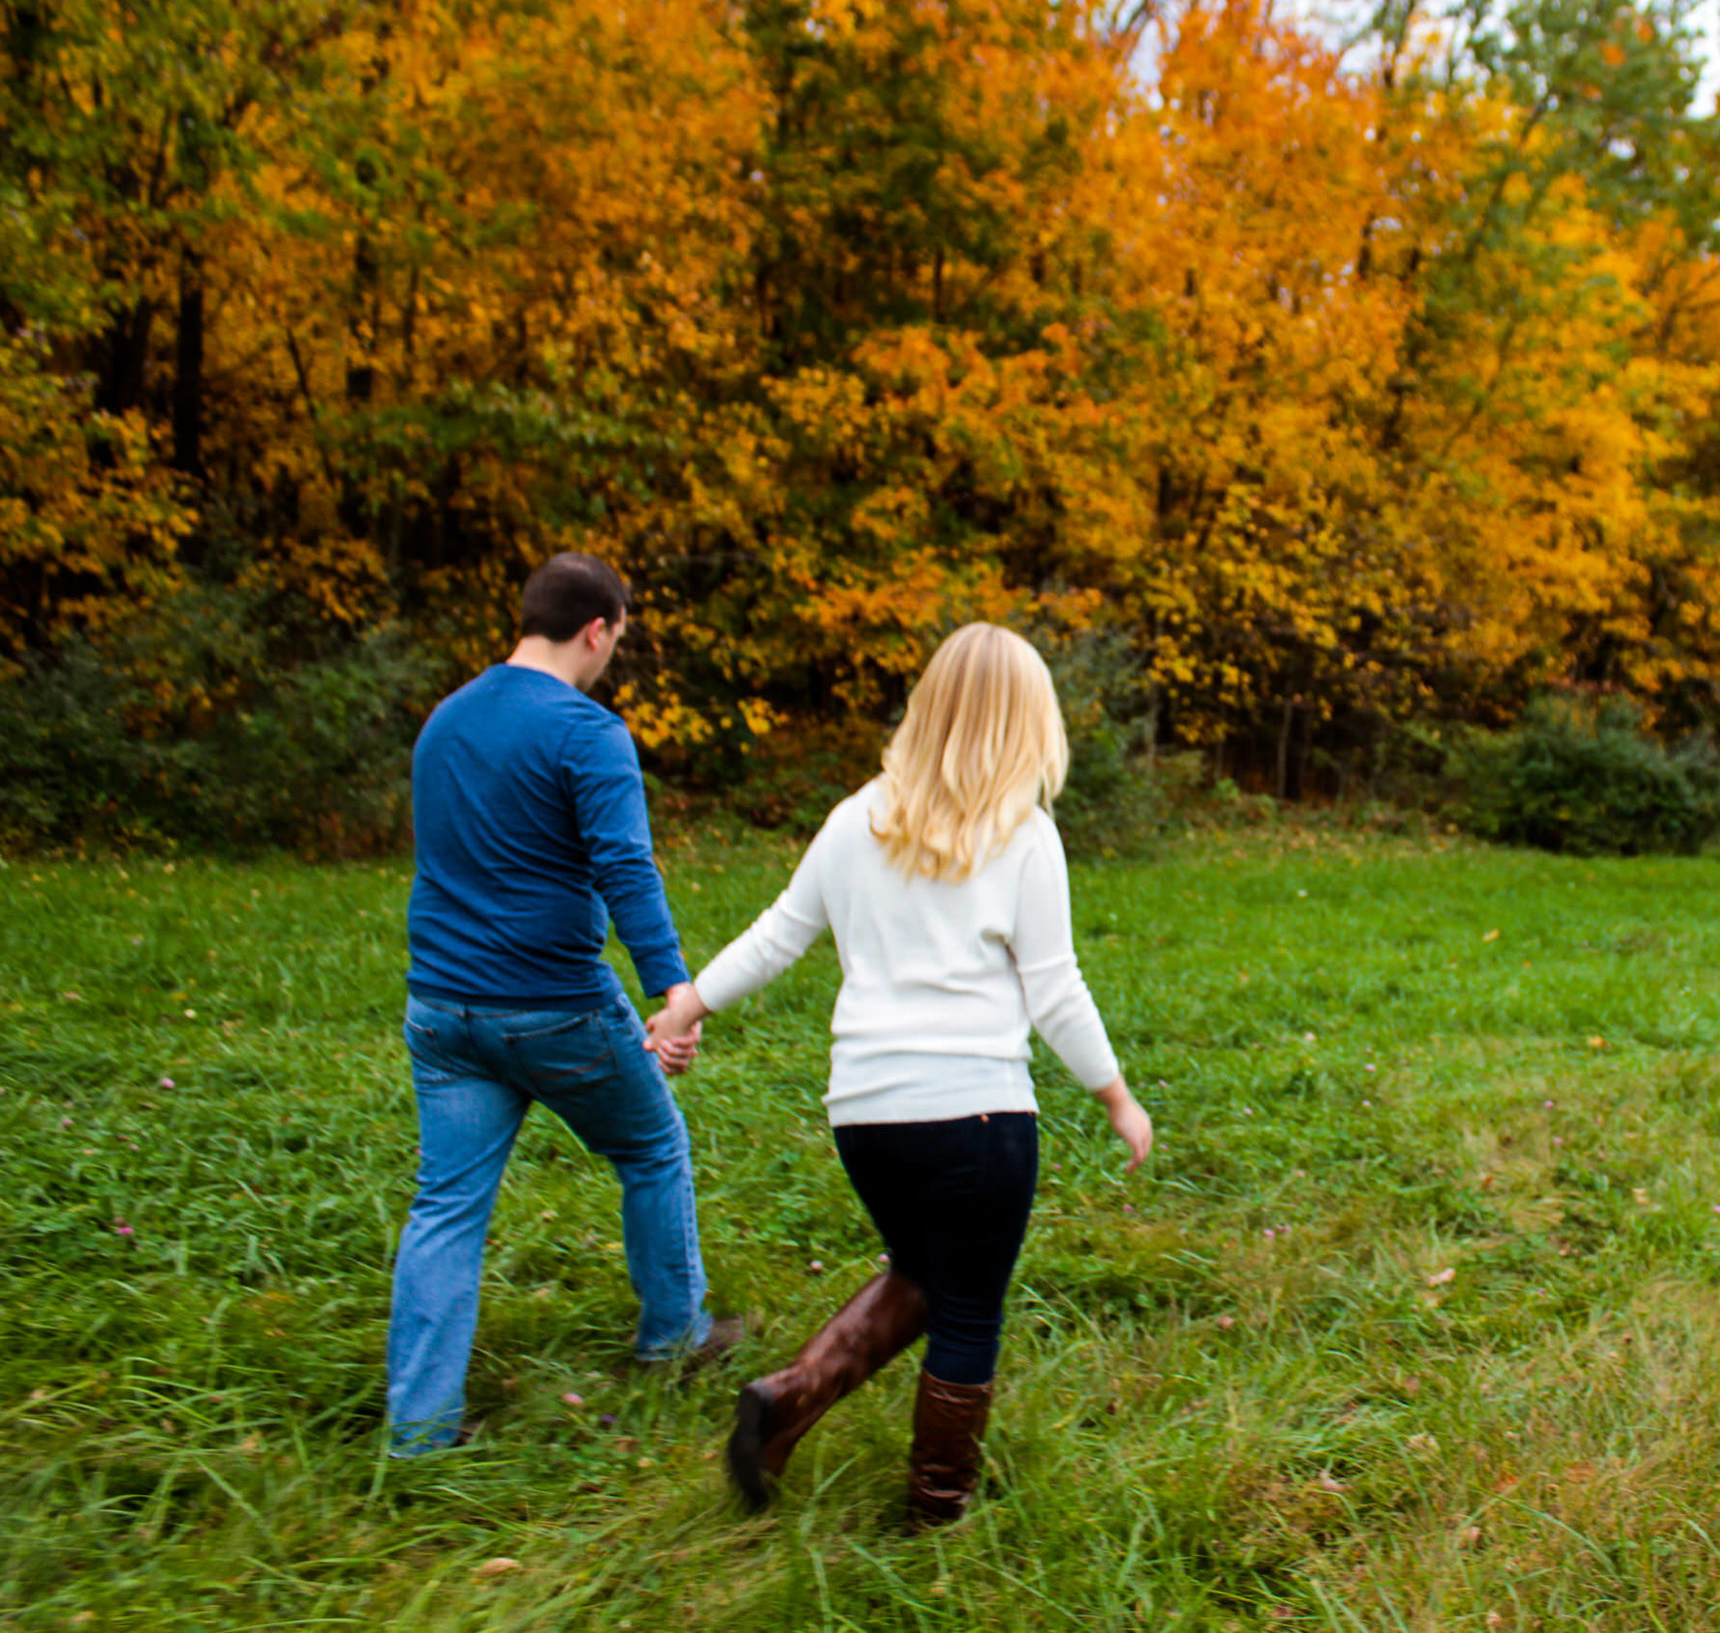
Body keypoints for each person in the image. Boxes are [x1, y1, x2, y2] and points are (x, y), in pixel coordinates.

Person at [644, 622, 1152, 1529]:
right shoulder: (1025, 835)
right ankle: (935, 1512)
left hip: (865, 1115)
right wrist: (1114, 1093)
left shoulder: (855, 819)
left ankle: (787, 1400)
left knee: (924, 1269)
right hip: (979, 1114)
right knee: (969, 1311)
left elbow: (775, 937)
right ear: (1023, 725)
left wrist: (688, 1007)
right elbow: (1056, 988)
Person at [386, 551, 739, 1456]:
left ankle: (417, 1432)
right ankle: (676, 1339)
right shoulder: (588, 732)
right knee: (652, 1143)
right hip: (554, 1007)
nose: (614, 654)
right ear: (597, 628)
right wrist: (675, 993)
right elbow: (624, 866)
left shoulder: (444, 721)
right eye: (618, 638)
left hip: (441, 1011)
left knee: (446, 1207)